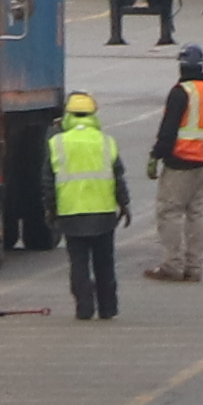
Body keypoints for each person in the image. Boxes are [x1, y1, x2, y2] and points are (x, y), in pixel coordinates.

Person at [144, 45, 203, 283]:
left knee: (170, 212)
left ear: (182, 66)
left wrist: (157, 155)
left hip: (181, 160)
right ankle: (194, 267)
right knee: (196, 214)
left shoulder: (181, 92)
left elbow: (169, 128)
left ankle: (172, 265)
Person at [48, 89, 125, 318]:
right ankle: (108, 308)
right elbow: (118, 175)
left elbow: (47, 180)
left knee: (79, 264)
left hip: (71, 212)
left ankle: (84, 308)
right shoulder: (105, 141)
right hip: (103, 212)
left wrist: (50, 209)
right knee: (105, 263)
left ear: (68, 115)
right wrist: (125, 203)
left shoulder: (57, 143)